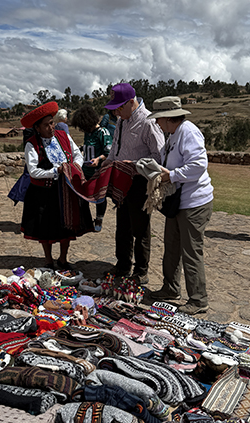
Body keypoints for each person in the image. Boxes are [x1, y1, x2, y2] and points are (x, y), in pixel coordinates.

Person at [145, 97, 214, 315]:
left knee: (191, 251)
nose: (157, 124)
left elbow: (198, 165)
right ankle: (170, 288)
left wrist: (171, 176)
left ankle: (198, 299)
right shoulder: (174, 135)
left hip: (194, 203)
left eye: (159, 120)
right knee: (172, 247)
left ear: (167, 118)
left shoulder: (188, 132)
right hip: (179, 202)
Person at [101, 83, 165, 285]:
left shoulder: (148, 123)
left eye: (120, 107)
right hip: (121, 180)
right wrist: (109, 161)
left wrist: (135, 165)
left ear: (131, 102)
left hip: (139, 181)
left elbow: (159, 157)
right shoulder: (122, 121)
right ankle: (122, 264)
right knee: (123, 226)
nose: (117, 112)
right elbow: (116, 147)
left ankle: (141, 270)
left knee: (140, 228)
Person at [20, 101, 92, 269]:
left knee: (66, 225)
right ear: (37, 128)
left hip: (66, 189)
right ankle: (48, 260)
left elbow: (76, 155)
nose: (51, 127)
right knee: (46, 227)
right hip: (44, 192)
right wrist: (55, 171)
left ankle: (63, 259)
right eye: (46, 125)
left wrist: (75, 167)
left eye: (52, 123)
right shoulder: (32, 144)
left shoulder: (63, 136)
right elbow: (33, 171)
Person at [71, 105, 113, 231]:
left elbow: (108, 152)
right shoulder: (88, 134)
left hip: (98, 171)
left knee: (100, 196)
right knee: (82, 195)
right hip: (86, 170)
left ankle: (99, 219)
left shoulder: (103, 133)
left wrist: (98, 160)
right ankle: (86, 221)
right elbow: (88, 147)